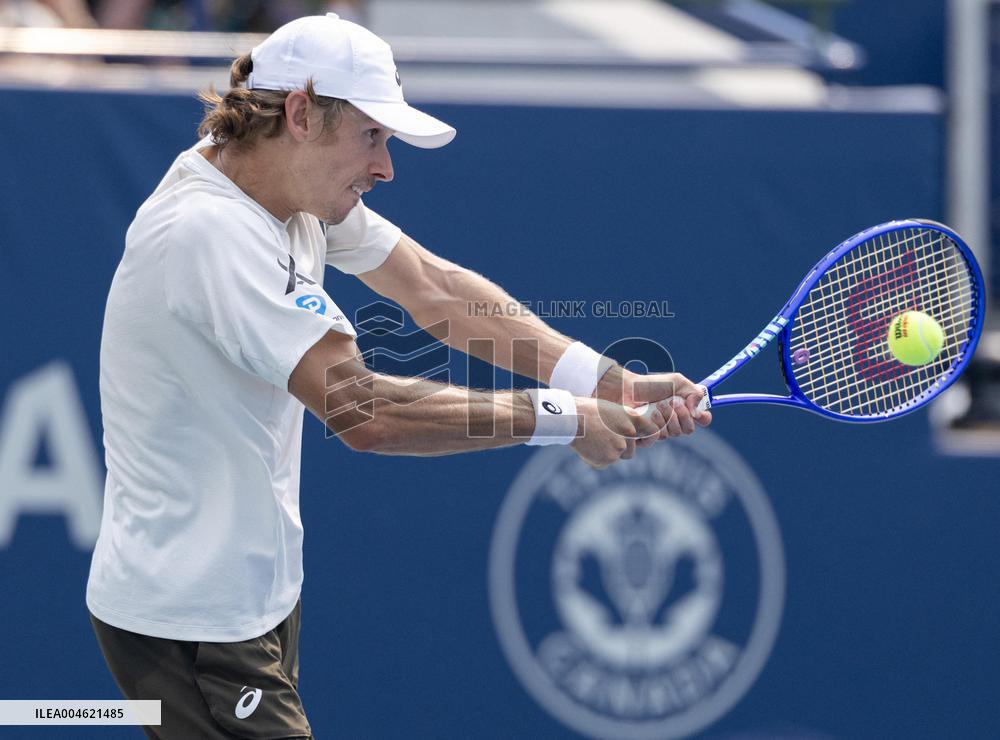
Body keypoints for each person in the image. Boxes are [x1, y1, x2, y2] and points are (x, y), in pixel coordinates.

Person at [86, 13, 711, 739]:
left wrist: (605, 381)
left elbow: (435, 290)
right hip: (190, 623)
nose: (386, 168)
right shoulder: (210, 231)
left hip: (251, 602)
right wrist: (562, 417)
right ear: (300, 114)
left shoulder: (272, 177)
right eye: (372, 136)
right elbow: (362, 411)